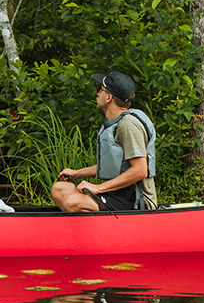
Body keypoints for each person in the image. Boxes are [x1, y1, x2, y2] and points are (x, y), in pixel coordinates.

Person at [50, 70, 157, 212]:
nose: (97, 94)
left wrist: (97, 188)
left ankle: (100, 232)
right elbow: (113, 167)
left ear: (108, 97)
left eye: (99, 89)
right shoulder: (117, 123)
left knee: (72, 201)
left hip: (136, 199)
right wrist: (76, 173)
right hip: (118, 192)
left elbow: (140, 170)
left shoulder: (128, 125)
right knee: (59, 189)